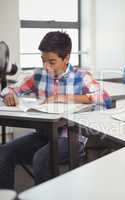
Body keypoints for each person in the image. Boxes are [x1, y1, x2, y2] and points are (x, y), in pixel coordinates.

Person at [0, 31, 111, 189]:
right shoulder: (38, 76)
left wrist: (65, 97)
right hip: (43, 135)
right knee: (4, 153)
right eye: (43, 61)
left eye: (52, 62)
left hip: (71, 138)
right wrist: (9, 95)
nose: (46, 67)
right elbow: (8, 89)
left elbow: (104, 98)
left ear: (66, 58)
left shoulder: (81, 76)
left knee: (41, 159)